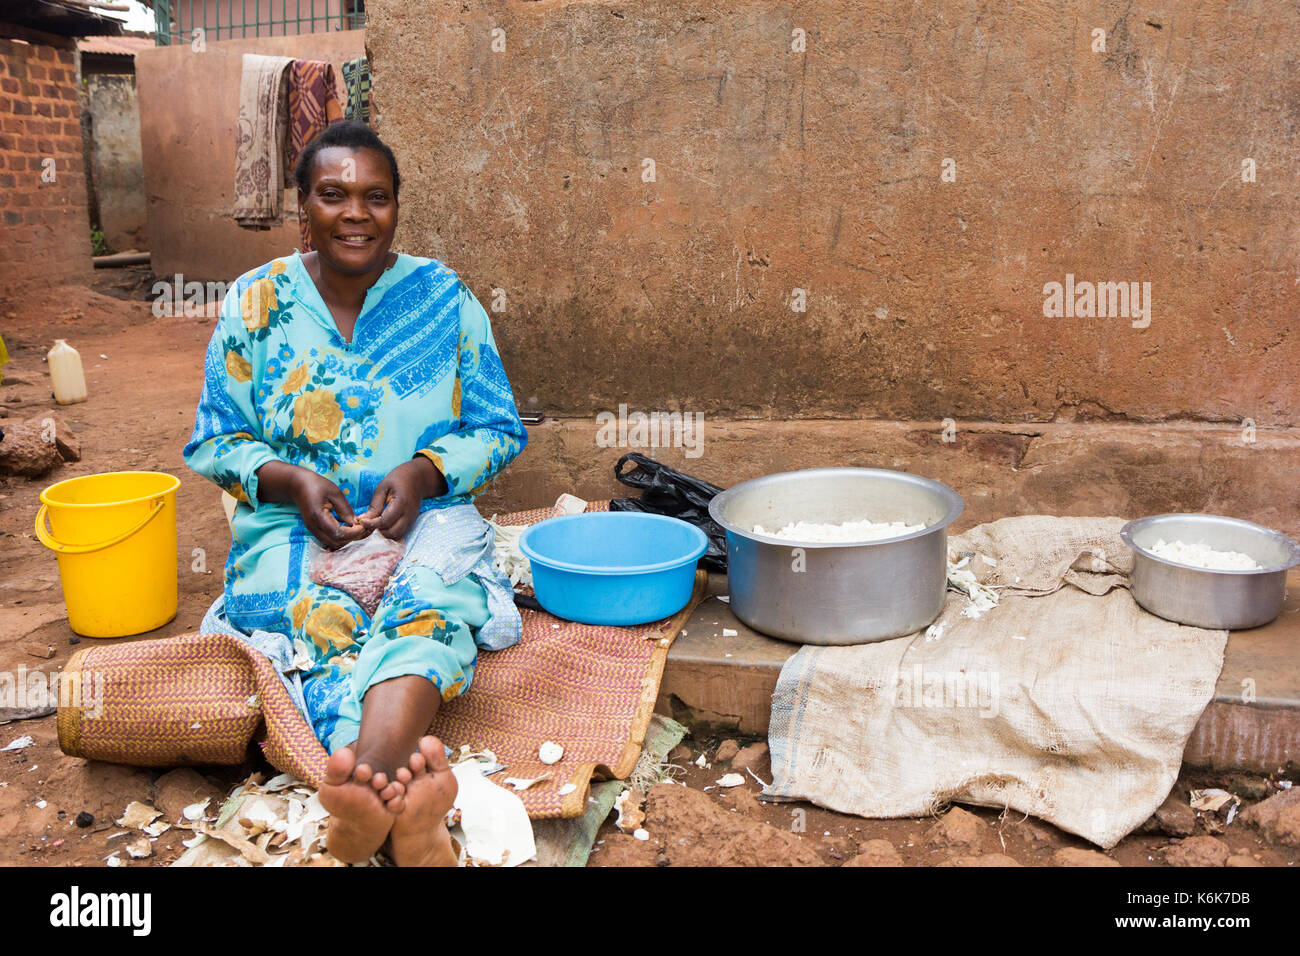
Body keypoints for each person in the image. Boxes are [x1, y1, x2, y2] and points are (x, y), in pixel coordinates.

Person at [184, 120, 528, 865]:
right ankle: (402, 807)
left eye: (376, 197)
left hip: (427, 517)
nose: (355, 213)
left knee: (434, 600)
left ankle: (363, 793)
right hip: (289, 525)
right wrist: (293, 481)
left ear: (397, 206)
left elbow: (498, 427)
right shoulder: (254, 303)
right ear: (301, 205)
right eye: (333, 195)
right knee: (319, 617)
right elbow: (215, 441)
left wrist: (426, 471)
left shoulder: (445, 299)